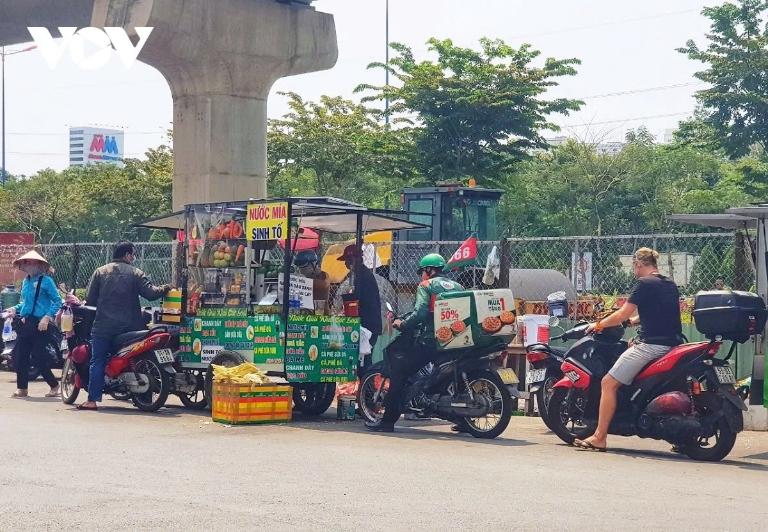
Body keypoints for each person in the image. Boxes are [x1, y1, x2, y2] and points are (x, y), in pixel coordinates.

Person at [574, 247, 682, 452]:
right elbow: (659, 310)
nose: (634, 271)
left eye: (634, 266)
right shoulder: (669, 283)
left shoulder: (643, 284)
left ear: (639, 265)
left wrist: (598, 325)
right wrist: (635, 321)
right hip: (672, 344)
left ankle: (599, 436)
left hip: (651, 346)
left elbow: (622, 314)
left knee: (608, 383)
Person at [366, 253, 463, 432]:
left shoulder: (427, 285)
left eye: (422, 272)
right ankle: (464, 421)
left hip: (430, 340)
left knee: (399, 373)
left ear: (428, 270)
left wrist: (402, 323)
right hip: (454, 339)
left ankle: (387, 422)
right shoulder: (458, 286)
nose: (421, 276)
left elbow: (420, 313)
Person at [78, 242, 171, 411]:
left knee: (97, 361)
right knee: (136, 358)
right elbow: (150, 294)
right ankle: (143, 396)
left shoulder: (100, 272)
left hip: (103, 327)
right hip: (130, 327)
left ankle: (92, 400)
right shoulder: (136, 273)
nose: (133, 258)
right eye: (132, 255)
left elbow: (90, 299)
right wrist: (166, 288)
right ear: (128, 255)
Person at [8, 250, 62, 398]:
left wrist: (47, 317)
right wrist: (14, 309)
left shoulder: (46, 281)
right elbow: (24, 303)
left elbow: (57, 301)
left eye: (33, 262)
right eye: (26, 262)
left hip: (41, 324)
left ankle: (54, 385)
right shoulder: (26, 282)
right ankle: (22, 388)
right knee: (20, 356)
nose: (29, 264)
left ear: (39, 264)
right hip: (27, 324)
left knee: (39, 356)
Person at [337, 245, 382, 369]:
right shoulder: (360, 274)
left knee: (364, 360)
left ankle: (368, 386)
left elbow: (359, 300)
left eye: (347, 260)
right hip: (369, 324)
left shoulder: (363, 276)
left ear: (353, 260)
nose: (346, 264)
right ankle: (366, 385)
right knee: (363, 360)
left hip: (368, 325)